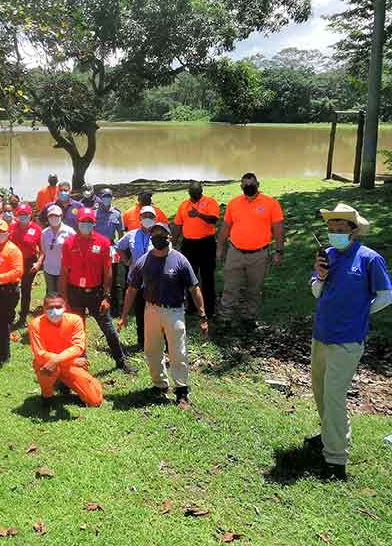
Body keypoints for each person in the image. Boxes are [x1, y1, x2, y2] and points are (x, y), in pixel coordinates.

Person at [307, 204, 392, 480]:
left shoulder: (369, 259)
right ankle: (330, 434)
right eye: (331, 230)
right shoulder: (327, 256)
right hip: (322, 334)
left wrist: (361, 310)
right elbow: (317, 292)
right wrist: (320, 275)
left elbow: (385, 294)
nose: (334, 235)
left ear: (353, 231)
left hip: (347, 340)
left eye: (340, 231)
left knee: (334, 395)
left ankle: (335, 461)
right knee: (319, 390)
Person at [119, 222, 208, 407]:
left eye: (162, 234)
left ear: (169, 237)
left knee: (178, 352)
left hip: (174, 311)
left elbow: (194, 288)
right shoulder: (143, 261)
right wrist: (124, 314)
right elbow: (132, 289)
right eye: (155, 235)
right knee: (152, 350)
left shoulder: (180, 260)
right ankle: (160, 385)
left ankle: (182, 390)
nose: (158, 238)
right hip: (151, 309)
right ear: (151, 238)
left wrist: (202, 315)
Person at [60, 207, 131, 372]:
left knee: (109, 329)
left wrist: (106, 297)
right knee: (77, 331)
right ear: (78, 223)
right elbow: (64, 272)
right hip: (75, 293)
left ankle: (121, 361)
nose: (86, 224)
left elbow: (107, 271)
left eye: (89, 222)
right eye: (83, 221)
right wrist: (63, 298)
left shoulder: (103, 242)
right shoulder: (69, 243)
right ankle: (80, 363)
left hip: (96, 294)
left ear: (94, 223)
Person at [217, 173, 284, 331]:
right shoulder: (234, 204)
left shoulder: (271, 203)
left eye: (251, 184)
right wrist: (220, 247)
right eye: (245, 185)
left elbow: (279, 229)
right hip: (235, 252)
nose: (248, 187)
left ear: (258, 185)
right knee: (230, 286)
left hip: (259, 255)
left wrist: (279, 251)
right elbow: (225, 227)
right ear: (241, 187)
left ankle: (249, 317)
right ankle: (226, 317)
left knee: (254, 288)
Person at [29, 294, 104, 407]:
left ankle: (69, 384)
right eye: (50, 307)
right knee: (46, 371)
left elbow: (78, 347)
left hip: (67, 366)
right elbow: (40, 354)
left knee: (95, 401)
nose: (54, 311)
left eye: (58, 307)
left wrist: (57, 360)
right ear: (44, 308)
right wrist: (72, 361)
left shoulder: (75, 320)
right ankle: (47, 397)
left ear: (65, 307)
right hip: (48, 364)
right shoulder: (36, 324)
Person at [172, 181, 219, 317]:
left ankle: (209, 308)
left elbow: (214, 219)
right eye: (192, 193)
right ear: (189, 193)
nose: (194, 195)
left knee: (207, 276)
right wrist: (173, 242)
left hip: (206, 244)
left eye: (197, 192)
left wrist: (199, 214)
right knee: (189, 275)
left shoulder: (210, 202)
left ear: (201, 191)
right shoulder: (184, 205)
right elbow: (177, 225)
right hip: (189, 245)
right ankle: (192, 306)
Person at [0, 220, 24, 368]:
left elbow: (18, 271)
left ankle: (5, 354)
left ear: (8, 233)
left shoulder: (13, 250)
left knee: (0, 323)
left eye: (2, 233)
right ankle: (1, 351)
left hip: (9, 290)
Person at [116, 206, 157, 348]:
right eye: (144, 216)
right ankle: (142, 341)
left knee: (155, 312)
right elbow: (119, 247)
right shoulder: (131, 235)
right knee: (140, 311)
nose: (147, 219)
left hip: (154, 281)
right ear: (140, 218)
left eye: (150, 216)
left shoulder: (159, 235)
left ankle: (156, 340)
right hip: (136, 280)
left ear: (155, 219)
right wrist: (126, 261)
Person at [94, 187, 124, 315]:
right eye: (104, 196)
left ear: (112, 198)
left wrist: (120, 249)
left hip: (112, 248)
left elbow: (121, 234)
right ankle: (98, 305)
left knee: (114, 277)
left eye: (108, 196)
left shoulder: (117, 213)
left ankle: (115, 307)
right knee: (98, 276)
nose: (106, 199)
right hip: (97, 248)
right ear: (100, 198)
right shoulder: (94, 213)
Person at [10, 203, 42, 326]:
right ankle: (10, 314)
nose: (23, 216)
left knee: (26, 289)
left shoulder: (36, 229)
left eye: (25, 214)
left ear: (30, 215)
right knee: (13, 289)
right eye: (20, 214)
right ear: (17, 215)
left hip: (29, 262)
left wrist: (38, 263)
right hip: (14, 262)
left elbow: (42, 250)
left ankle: (23, 316)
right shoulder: (12, 227)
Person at [39, 205, 75, 294]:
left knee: (63, 294)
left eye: (56, 216)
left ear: (61, 216)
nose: (53, 218)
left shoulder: (69, 232)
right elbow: (44, 251)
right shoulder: (44, 233)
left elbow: (74, 251)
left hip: (64, 269)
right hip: (49, 269)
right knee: (51, 294)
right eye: (51, 216)